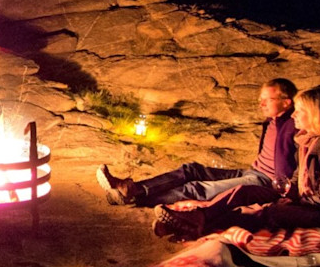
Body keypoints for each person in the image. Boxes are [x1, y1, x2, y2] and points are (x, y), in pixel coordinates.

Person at [152, 84, 320, 241]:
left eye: (299, 111)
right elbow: (297, 177)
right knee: (245, 191)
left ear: (315, 114)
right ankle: (198, 217)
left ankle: (193, 225)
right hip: (307, 200)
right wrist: (289, 191)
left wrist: (292, 201)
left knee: (271, 211)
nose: (294, 115)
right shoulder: (307, 140)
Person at [97, 78, 299, 207]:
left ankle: (137, 197)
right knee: (191, 169)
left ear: (286, 102)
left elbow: (302, 165)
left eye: (267, 99)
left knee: (197, 189)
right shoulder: (271, 121)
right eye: (261, 99)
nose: (261, 104)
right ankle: (131, 189)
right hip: (251, 172)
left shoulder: (294, 125)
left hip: (265, 182)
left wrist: (286, 192)